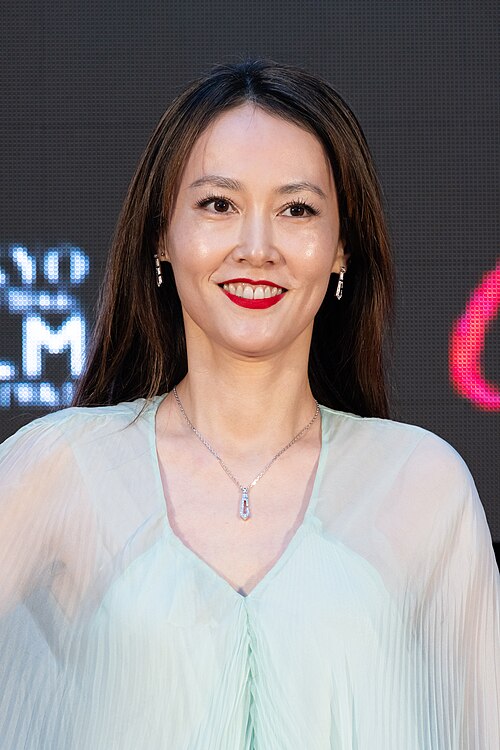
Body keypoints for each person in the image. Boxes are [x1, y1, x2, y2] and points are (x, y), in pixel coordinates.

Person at [0, 59, 498, 749]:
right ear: (161, 236)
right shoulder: (61, 467)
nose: (257, 248)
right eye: (218, 205)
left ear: (341, 248)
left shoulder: (422, 483)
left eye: (297, 210)